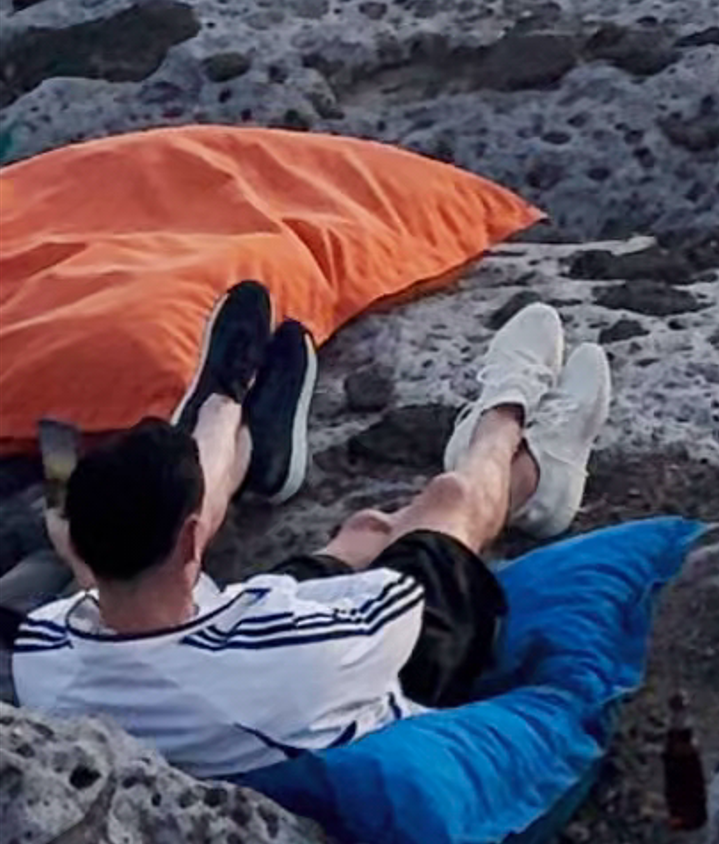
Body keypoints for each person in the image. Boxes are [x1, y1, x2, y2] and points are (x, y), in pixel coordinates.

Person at [11, 290, 612, 780]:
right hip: (373, 678)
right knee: (446, 506)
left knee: (359, 532)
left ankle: (229, 409)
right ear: (195, 541)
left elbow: (107, 580)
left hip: (217, 642)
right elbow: (393, 598)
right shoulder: (302, 649)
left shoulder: (43, 655)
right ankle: (515, 434)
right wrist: (407, 529)